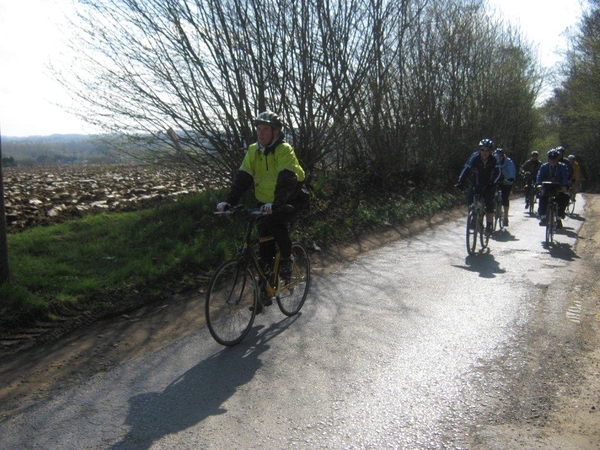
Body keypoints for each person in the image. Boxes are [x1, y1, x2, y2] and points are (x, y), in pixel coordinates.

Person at [217, 111, 309, 310]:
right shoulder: (253, 151)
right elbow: (243, 178)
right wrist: (229, 202)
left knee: (276, 223)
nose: (260, 133)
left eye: (265, 129)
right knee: (264, 248)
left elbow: (287, 179)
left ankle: (287, 258)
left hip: (290, 198)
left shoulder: (284, 150)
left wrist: (276, 204)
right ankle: (265, 291)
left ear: (275, 132)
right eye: (258, 129)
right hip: (265, 203)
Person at [456, 138, 501, 235]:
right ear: (480, 150)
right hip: (476, 183)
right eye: (483, 150)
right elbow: (466, 169)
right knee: (470, 198)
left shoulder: (494, 159)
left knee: (489, 203)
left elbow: (498, 172)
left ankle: (489, 224)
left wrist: (493, 182)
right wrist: (460, 181)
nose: (484, 152)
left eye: (487, 150)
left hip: (489, 184)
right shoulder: (474, 157)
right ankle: (474, 217)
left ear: (490, 151)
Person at [536, 149, 569, 228]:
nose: (552, 160)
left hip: (558, 187)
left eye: (554, 158)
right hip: (546, 187)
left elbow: (565, 177)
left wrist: (565, 186)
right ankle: (543, 217)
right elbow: (539, 176)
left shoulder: (562, 166)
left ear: (557, 158)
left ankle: (558, 218)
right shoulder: (544, 166)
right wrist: (539, 184)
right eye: (551, 158)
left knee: (564, 198)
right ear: (548, 159)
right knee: (542, 198)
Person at [494, 148, 516, 226]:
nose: (499, 158)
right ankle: (495, 209)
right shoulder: (493, 161)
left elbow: (512, 170)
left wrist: (511, 178)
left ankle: (506, 217)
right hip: (496, 180)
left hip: (506, 181)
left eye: (500, 156)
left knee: (505, 198)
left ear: (503, 156)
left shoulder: (508, 162)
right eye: (497, 156)